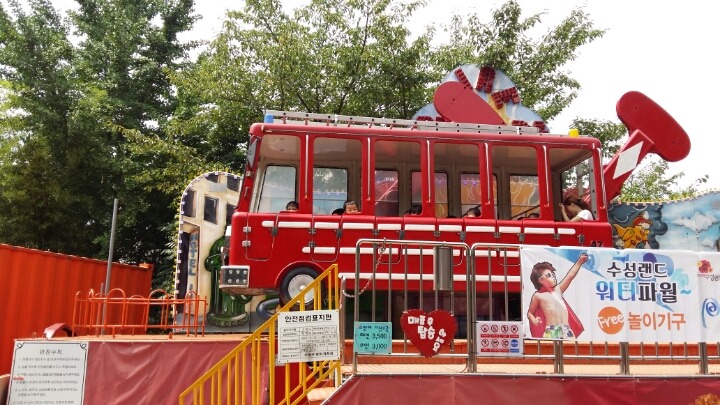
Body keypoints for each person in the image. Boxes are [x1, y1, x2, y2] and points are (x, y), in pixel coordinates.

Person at [527, 253, 587, 339]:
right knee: (550, 348)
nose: (553, 277)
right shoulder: (538, 295)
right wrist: (533, 319)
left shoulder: (558, 290)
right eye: (549, 275)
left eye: (553, 274)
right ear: (541, 280)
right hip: (551, 330)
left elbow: (570, 275)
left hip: (566, 329)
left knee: (570, 347)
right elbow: (530, 312)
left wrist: (579, 262)